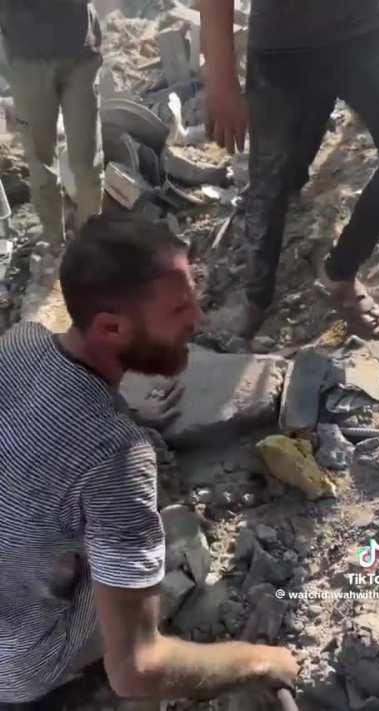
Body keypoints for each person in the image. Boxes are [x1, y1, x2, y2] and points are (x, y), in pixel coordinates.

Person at [0, 213, 298, 708]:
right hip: (15, 667)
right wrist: (262, 661)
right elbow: (137, 669)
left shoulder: (21, 341)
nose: (198, 320)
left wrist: (121, 413)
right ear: (111, 327)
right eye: (179, 309)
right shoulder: (117, 457)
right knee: (169, 553)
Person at [200, 0, 379, 338]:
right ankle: (255, 295)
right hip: (284, 46)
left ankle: (341, 272)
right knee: (271, 180)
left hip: (371, 27)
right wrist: (220, 79)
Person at [0, 0, 104, 250]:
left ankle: (92, 241)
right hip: (27, 59)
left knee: (87, 164)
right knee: (42, 165)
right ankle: (53, 241)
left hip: (79, 53)